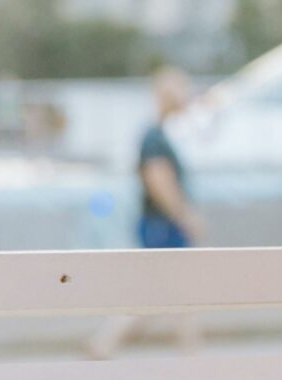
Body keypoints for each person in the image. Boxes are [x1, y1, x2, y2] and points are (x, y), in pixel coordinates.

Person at [88, 66, 208, 359]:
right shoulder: (154, 138)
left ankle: (191, 354)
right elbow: (159, 181)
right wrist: (185, 216)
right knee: (160, 294)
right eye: (180, 90)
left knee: (177, 295)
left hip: (163, 225)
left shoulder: (160, 135)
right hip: (162, 227)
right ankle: (104, 344)